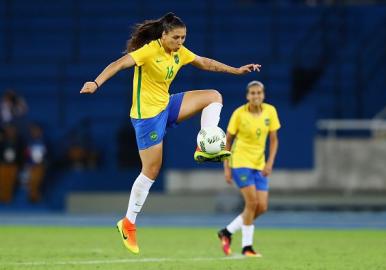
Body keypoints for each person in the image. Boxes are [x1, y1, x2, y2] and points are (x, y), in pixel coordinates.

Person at [80, 12, 261, 255]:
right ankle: (128, 222)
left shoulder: (179, 52)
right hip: (147, 118)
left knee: (214, 96)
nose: (180, 42)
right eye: (176, 38)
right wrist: (96, 82)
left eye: (184, 38)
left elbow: (205, 62)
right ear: (164, 35)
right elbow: (118, 64)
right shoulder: (149, 51)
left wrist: (236, 71)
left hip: (166, 105)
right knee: (151, 170)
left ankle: (206, 145)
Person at [217, 80, 280, 257]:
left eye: (258, 93)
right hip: (240, 162)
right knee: (252, 203)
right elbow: (228, 141)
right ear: (247, 96)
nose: (256, 96)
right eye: (252, 93)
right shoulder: (239, 114)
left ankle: (227, 232)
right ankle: (247, 247)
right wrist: (226, 167)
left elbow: (274, 139)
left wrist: (270, 163)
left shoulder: (270, 111)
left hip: (260, 164)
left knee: (262, 207)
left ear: (263, 95)